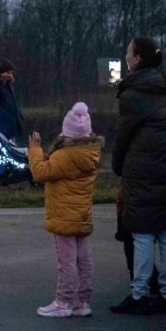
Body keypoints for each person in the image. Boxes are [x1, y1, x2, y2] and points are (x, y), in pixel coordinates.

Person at [109, 36, 166, 315]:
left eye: (128, 52)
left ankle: (140, 294)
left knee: (143, 234)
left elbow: (123, 137)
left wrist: (118, 166)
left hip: (143, 171)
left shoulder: (133, 94)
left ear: (138, 60)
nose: (125, 56)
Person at [27, 102, 99, 318]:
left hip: (63, 216)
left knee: (66, 261)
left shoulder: (65, 156)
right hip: (82, 215)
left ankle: (63, 301)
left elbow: (40, 173)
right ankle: (82, 301)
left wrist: (35, 150)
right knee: (84, 260)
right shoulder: (91, 154)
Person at [0, 58, 24, 185]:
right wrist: (8, 117)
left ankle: (4, 177)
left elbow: (12, 104)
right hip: (0, 126)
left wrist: (18, 115)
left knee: (10, 153)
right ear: (2, 73)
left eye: (11, 72)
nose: (10, 75)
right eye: (7, 72)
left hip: (10, 126)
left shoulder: (7, 86)